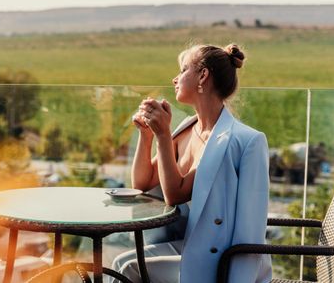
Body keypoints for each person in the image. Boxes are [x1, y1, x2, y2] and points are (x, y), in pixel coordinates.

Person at [111, 44, 272, 283]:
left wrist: (163, 136)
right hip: (192, 243)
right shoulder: (188, 127)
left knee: (130, 270)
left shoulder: (245, 141)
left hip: (221, 258)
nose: (174, 78)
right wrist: (147, 137)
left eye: (184, 69)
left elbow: (174, 194)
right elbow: (143, 183)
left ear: (203, 76)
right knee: (118, 263)